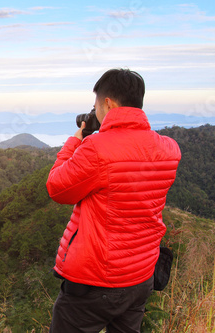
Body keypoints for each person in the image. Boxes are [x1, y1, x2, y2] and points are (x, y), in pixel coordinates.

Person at [46, 68, 181, 332]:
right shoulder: (169, 149)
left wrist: (74, 143)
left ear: (107, 103)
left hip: (96, 282)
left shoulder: (96, 149)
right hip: (141, 276)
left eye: (96, 104)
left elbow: (57, 188)